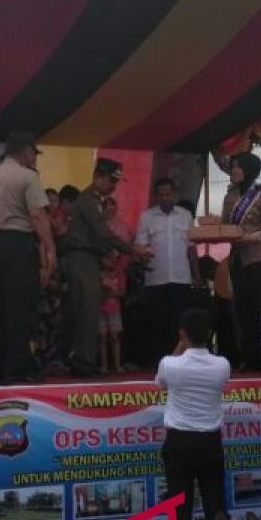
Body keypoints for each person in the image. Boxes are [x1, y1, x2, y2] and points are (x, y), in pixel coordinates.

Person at [0, 131, 57, 383]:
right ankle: (19, 367)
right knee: (20, 307)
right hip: (18, 243)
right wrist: (50, 249)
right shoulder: (28, 176)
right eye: (34, 152)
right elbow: (37, 216)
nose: (35, 157)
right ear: (25, 151)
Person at [156, 308, 232, 520]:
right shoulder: (222, 365)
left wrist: (180, 345)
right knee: (215, 503)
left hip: (180, 442)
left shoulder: (170, 364)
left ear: (182, 333)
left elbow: (160, 382)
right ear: (209, 333)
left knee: (180, 505)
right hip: (210, 441)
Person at [63, 159, 151, 377]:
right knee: (87, 311)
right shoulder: (88, 201)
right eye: (111, 180)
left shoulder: (95, 200)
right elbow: (102, 232)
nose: (114, 186)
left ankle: (85, 361)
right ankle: (84, 363)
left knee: (89, 311)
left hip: (89, 259)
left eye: (116, 181)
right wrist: (133, 250)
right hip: (81, 259)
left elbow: (99, 236)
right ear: (97, 177)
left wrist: (108, 252)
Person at [222, 152, 261, 371]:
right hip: (238, 260)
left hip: (260, 260)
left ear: (249, 169)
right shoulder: (229, 197)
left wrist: (251, 237)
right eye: (233, 166)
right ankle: (250, 356)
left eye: (238, 166)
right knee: (242, 311)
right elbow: (225, 226)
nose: (234, 170)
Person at [137, 178, 201, 360]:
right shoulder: (146, 217)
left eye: (168, 194)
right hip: (155, 279)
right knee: (157, 322)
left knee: (179, 321)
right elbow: (140, 246)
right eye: (161, 195)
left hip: (181, 278)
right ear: (156, 196)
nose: (165, 198)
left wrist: (197, 274)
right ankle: (159, 362)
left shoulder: (185, 215)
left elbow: (191, 247)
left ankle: (180, 359)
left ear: (175, 194)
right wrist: (143, 257)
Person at [99, 251, 125, 374]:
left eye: (113, 258)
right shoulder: (97, 274)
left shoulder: (119, 274)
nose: (110, 261)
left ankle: (117, 365)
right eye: (107, 258)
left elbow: (121, 293)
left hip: (114, 309)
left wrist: (107, 292)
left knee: (115, 337)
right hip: (100, 309)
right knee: (102, 337)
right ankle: (104, 366)